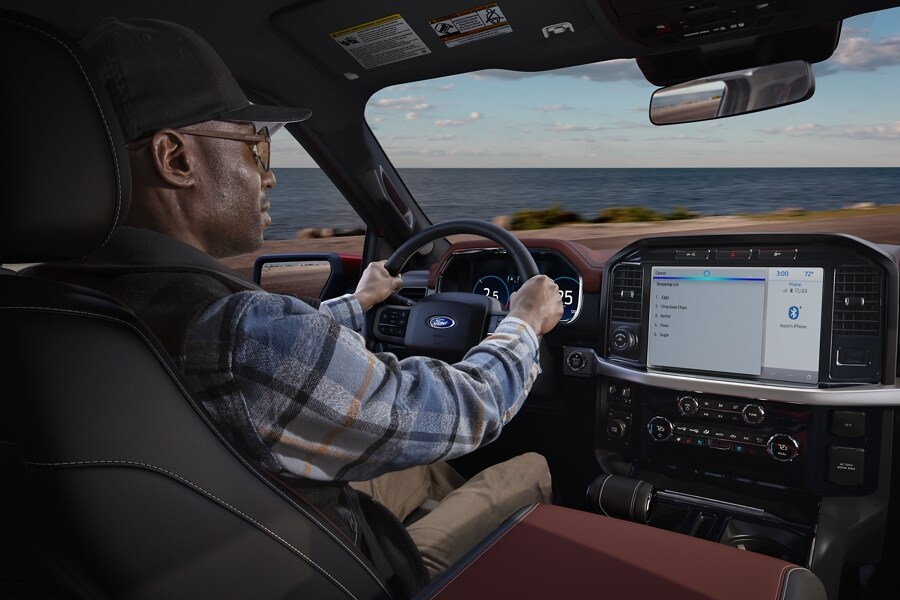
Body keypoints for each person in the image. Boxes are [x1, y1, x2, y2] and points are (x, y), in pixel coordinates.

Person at [25, 17, 562, 595]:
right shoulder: (243, 332)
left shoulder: (45, 305)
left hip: (200, 555)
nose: (271, 175)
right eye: (256, 145)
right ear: (175, 159)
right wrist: (524, 325)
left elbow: (244, 368)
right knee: (529, 468)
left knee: (425, 465)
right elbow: (464, 408)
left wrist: (357, 306)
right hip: (334, 572)